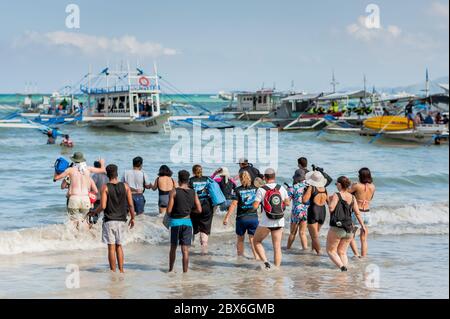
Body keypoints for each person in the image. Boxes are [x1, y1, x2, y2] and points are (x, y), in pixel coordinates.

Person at [89, 164, 135, 273]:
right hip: (122, 220)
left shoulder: (105, 187)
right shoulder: (126, 186)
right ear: (117, 173)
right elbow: (131, 205)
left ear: (107, 175)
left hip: (109, 220)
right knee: (119, 246)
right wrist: (133, 218)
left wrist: (94, 212)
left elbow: (103, 206)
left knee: (111, 247)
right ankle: (122, 270)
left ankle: (113, 271)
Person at [53, 152, 106, 229]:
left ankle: (75, 239)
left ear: (74, 160)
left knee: (73, 223)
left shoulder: (70, 170)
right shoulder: (88, 169)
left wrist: (56, 169)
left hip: (74, 198)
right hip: (85, 199)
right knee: (85, 222)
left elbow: (56, 178)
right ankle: (85, 238)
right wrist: (102, 163)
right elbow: (103, 170)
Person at [327, 176, 367, 271]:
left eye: (336, 184)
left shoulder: (337, 195)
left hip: (337, 227)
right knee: (342, 252)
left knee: (331, 251)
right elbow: (357, 212)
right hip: (349, 227)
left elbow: (331, 208)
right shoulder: (352, 197)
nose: (336, 185)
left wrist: (329, 201)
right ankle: (344, 270)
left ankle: (342, 267)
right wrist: (363, 226)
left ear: (340, 185)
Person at [253, 168, 290, 269]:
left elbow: (255, 206)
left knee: (256, 241)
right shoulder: (281, 188)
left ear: (264, 177)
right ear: (275, 176)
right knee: (277, 247)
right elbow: (287, 203)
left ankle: (266, 262)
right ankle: (277, 269)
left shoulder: (261, 189)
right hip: (279, 220)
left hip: (266, 221)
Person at [167, 170, 202, 273]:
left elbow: (168, 211)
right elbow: (199, 210)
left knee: (173, 247)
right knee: (185, 250)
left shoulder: (174, 191)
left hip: (175, 223)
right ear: (188, 179)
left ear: (178, 179)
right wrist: (190, 211)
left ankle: (170, 270)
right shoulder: (193, 192)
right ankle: (185, 273)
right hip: (187, 222)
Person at [223, 171, 260, 259]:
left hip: (241, 218)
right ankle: (257, 257)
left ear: (240, 179)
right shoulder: (255, 189)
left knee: (240, 239)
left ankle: (240, 258)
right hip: (253, 218)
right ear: (250, 178)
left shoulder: (237, 190)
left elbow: (233, 204)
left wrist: (226, 217)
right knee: (253, 240)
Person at [350, 168, 375, 257]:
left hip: (357, 213)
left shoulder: (356, 185)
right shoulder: (373, 186)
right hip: (367, 213)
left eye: (359, 175)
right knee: (364, 239)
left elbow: (347, 193)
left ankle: (356, 255)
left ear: (361, 176)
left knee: (350, 236)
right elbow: (371, 198)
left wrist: (351, 185)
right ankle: (363, 257)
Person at [303, 171, 329, 255]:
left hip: (313, 210)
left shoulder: (312, 187)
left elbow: (304, 200)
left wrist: (305, 191)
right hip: (323, 211)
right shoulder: (324, 188)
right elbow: (329, 202)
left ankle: (319, 253)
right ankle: (313, 251)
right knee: (316, 234)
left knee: (314, 236)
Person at [189, 165, 214, 254]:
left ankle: (194, 247)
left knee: (195, 227)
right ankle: (204, 247)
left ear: (193, 172)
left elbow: (189, 194)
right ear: (201, 171)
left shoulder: (191, 180)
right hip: (207, 205)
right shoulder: (207, 179)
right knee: (205, 227)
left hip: (195, 205)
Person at [287, 175, 309, 251]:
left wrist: (288, 190)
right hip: (305, 211)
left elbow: (287, 202)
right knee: (302, 233)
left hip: (296, 211)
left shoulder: (293, 187)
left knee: (293, 233)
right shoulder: (308, 186)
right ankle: (305, 249)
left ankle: (288, 248)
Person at [91, 161, 109, 225]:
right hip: (106, 198)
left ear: (95, 167)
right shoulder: (107, 175)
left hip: (97, 198)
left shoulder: (95, 176)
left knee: (95, 215)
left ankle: (94, 226)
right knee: (105, 214)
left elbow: (91, 186)